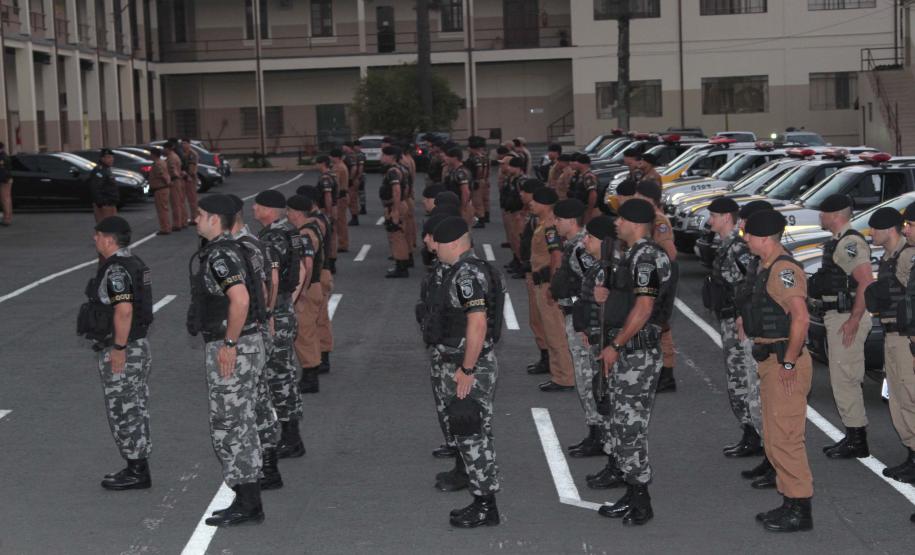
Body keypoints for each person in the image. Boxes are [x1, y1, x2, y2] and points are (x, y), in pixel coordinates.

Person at [422, 216, 505, 528]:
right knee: (468, 431)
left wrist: (467, 369)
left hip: (469, 365)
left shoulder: (467, 274)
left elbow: (478, 322)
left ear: (455, 242)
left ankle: (486, 505)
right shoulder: (463, 270)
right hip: (458, 361)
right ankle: (481, 498)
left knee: (472, 433)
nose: (433, 248)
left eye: (438, 242)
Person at [189, 194, 266, 527]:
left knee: (230, 424)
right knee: (242, 420)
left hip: (235, 343)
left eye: (200, 215)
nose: (196, 220)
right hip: (248, 341)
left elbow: (240, 299)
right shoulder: (237, 247)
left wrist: (229, 343)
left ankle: (249, 503)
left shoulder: (221, 254)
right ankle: (248, 497)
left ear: (215, 219)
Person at [594, 198, 671, 526]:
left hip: (635, 355)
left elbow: (644, 308)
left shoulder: (648, 257)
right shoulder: (635, 255)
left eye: (621, 218)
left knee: (630, 428)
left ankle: (641, 501)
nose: (616, 223)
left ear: (635, 223)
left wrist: (615, 344)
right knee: (621, 423)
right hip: (629, 354)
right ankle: (632, 490)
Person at [739, 209, 813, 532]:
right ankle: (789, 501)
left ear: (764, 238)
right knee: (774, 436)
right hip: (771, 360)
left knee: (786, 437)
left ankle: (800, 510)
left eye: (748, 235)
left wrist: (789, 360)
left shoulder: (783, 270)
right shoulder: (767, 266)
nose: (746, 240)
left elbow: (800, 317)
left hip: (785, 362)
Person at [78, 216, 154, 490]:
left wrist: (119, 348)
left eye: (97, 235)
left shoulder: (117, 270)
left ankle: (137, 470)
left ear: (109, 239)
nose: (94, 239)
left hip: (125, 347)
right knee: (134, 405)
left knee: (124, 408)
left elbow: (124, 310)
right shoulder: (133, 263)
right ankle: (137, 465)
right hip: (136, 345)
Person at [810, 194, 874, 459]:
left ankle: (857, 439)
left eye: (823, 212)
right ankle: (852, 434)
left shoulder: (849, 243)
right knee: (843, 378)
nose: (819, 216)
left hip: (845, 316)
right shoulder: (838, 242)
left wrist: (853, 320)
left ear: (835, 215)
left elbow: (866, 281)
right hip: (837, 316)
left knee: (845, 378)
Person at [228, 194, 284, 490]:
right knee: (259, 396)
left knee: (252, 400)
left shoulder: (245, 245)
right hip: (256, 325)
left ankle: (264, 466)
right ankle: (268, 464)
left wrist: (267, 313)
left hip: (249, 330)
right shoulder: (251, 242)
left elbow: (270, 281)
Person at [705, 197, 763, 458]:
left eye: (713, 216)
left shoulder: (738, 248)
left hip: (739, 324)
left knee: (743, 379)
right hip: (729, 321)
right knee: (736, 380)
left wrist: (742, 316)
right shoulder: (726, 245)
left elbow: (750, 286)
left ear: (726, 217)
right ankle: (749, 432)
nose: (709, 221)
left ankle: (757, 436)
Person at [254, 190, 307, 458]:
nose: (254, 209)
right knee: (283, 372)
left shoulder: (273, 236)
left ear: (270, 210)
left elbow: (271, 278)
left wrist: (272, 311)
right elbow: (302, 271)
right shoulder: (290, 231)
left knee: (278, 376)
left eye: (258, 206)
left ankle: (290, 438)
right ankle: (291, 436)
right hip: (284, 308)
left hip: (276, 313)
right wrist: (288, 302)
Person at [869, 205, 915, 490]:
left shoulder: (907, 256)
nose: (906, 228)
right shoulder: (892, 256)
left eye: (910, 224)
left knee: (909, 397)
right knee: (898, 399)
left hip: (905, 338)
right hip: (893, 335)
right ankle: (912, 454)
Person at [551, 198, 601, 456]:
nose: (555, 224)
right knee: (585, 379)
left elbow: (593, 286)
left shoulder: (581, 249)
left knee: (587, 378)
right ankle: (595, 432)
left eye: (558, 219)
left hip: (582, 322)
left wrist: (586, 325)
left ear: (571, 221)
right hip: (577, 317)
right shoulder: (575, 245)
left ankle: (600, 434)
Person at [529, 186, 575, 392]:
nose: (531, 203)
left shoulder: (550, 228)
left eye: (535, 200)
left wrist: (554, 287)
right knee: (549, 330)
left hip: (548, 283)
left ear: (545, 205)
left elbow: (556, 256)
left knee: (556, 332)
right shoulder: (543, 224)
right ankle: (559, 373)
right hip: (540, 281)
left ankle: (565, 377)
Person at [634, 180, 678, 393]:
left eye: (638, 195)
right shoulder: (646, 218)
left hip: (662, 277)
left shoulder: (658, 221)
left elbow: (670, 253)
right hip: (653, 275)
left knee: (661, 324)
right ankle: (656, 369)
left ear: (646, 197)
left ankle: (667, 374)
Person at [286, 194, 323, 393]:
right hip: (313, 286)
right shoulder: (312, 227)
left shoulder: (305, 235)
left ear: (298, 213)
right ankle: (312, 371)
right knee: (310, 331)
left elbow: (306, 264)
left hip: (308, 289)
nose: (287, 214)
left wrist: (299, 293)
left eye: (290, 210)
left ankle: (310, 377)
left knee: (303, 333)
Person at [380, 145, 411, 278]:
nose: (381, 158)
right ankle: (402, 263)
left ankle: (401, 267)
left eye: (383, 155)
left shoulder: (393, 171)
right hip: (400, 203)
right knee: (399, 234)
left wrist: (395, 210)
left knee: (397, 236)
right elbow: (408, 186)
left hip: (394, 205)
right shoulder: (402, 168)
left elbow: (397, 190)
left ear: (390, 157)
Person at [147, 146, 172, 235]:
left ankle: (165, 228)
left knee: (162, 210)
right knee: (164, 209)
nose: (150, 155)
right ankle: (167, 226)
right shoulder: (162, 162)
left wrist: (167, 182)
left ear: (154, 155)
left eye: (151, 154)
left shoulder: (157, 164)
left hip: (160, 189)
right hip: (162, 188)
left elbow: (162, 175)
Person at [89, 148, 119, 223]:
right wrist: (101, 203)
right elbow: (95, 188)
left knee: (112, 228)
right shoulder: (99, 170)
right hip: (105, 205)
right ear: (102, 158)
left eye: (112, 157)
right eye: (108, 157)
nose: (111, 159)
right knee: (105, 228)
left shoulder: (107, 169)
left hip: (111, 204)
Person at [568, 154, 599, 224]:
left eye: (577, 162)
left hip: (589, 210)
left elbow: (593, 195)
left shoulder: (588, 176)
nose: (575, 163)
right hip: (583, 209)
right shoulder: (582, 175)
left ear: (582, 164)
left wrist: (589, 212)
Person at [330, 148, 350, 253]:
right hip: (343, 195)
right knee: (341, 221)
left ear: (335, 157)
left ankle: (343, 244)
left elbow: (335, 184)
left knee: (340, 221)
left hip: (340, 197)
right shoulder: (342, 165)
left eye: (331, 156)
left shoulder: (338, 168)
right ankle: (343, 243)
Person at [164, 141, 186, 232]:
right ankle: (183, 221)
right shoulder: (174, 156)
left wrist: (173, 178)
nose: (163, 150)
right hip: (177, 181)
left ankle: (177, 224)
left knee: (175, 203)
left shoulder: (171, 157)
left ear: (168, 148)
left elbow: (173, 170)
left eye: (164, 148)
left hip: (174, 181)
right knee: (180, 203)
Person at [181, 139, 200, 226]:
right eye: (182, 144)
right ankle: (184, 219)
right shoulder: (182, 153)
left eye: (185, 143)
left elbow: (192, 167)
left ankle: (195, 218)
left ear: (189, 144)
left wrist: (188, 175)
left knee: (192, 199)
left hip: (190, 178)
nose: (183, 145)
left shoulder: (192, 154)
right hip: (182, 178)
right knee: (182, 200)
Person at [352, 140, 368, 215]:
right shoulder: (354, 154)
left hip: (360, 175)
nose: (357, 147)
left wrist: (358, 176)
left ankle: (363, 208)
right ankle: (361, 207)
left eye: (358, 146)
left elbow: (361, 166)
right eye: (356, 146)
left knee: (361, 192)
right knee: (357, 192)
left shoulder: (360, 155)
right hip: (356, 175)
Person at [0, 141, 12, 226]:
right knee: (7, 199)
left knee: (5, 199)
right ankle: (8, 216)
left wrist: (3, 180)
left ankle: (6, 218)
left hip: (4, 180)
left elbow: (2, 171)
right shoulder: (5, 156)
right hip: (7, 179)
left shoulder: (2, 157)